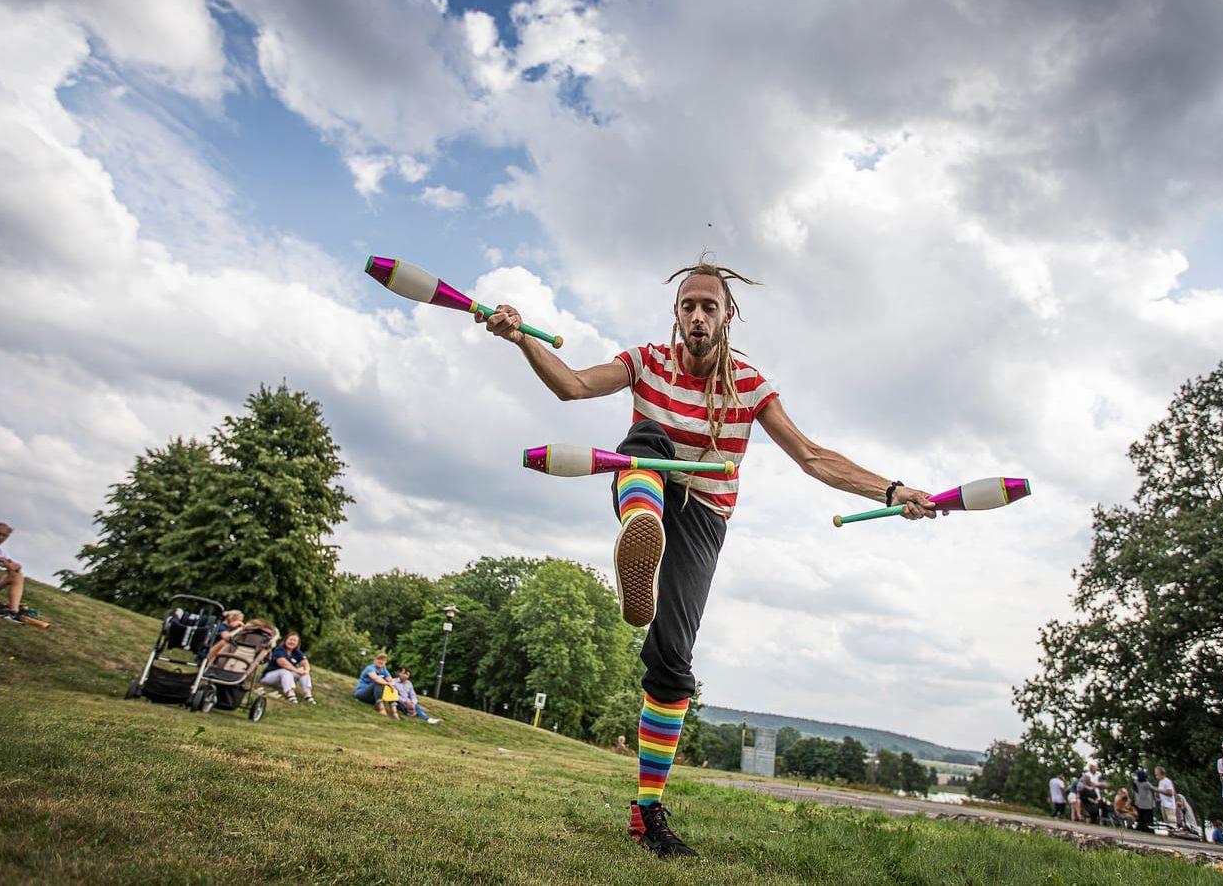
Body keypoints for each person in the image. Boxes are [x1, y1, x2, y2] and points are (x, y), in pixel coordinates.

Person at [480, 258, 939, 858]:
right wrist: (521, 340)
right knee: (644, 444)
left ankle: (647, 812)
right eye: (688, 306)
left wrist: (890, 489)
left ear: (727, 317)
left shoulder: (749, 384)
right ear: (676, 315)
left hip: (704, 516)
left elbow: (813, 456)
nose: (698, 315)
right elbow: (573, 385)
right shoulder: (645, 361)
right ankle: (642, 522)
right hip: (648, 482)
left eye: (709, 307)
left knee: (672, 662)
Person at [260, 632, 315, 704]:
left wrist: (306, 670)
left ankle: (307, 694)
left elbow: (305, 662)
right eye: (290, 639)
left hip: (284, 679)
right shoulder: (279, 650)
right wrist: (296, 671)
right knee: (285, 671)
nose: (292, 642)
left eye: (294, 640)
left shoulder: (297, 652)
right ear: (286, 640)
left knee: (303, 670)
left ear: (297, 643)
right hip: (269, 677)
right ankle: (290, 694)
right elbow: (282, 663)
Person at [354, 653, 400, 717]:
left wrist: (391, 685)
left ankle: (394, 711)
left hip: (373, 698)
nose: (381, 661)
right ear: (375, 660)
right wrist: (387, 683)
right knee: (378, 683)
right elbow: (376, 679)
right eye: (379, 659)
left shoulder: (384, 670)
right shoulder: (370, 668)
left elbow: (391, 680)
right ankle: (381, 709)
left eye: (383, 660)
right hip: (362, 694)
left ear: (385, 662)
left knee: (392, 687)